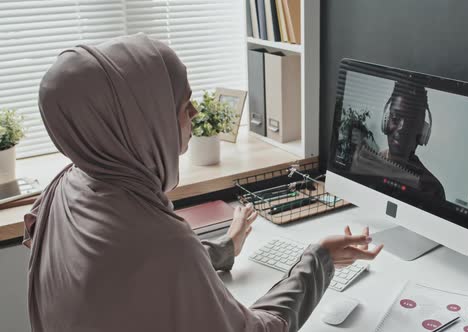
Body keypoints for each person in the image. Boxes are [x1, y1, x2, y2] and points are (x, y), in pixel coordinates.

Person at [22, 34, 383, 332]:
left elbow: (137, 279)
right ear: (134, 121)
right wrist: (318, 260)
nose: (194, 113)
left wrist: (224, 248)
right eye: (180, 104)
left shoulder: (65, 189)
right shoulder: (161, 242)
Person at [350, 80, 445, 203]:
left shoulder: (432, 190)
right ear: (386, 122)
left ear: (422, 133)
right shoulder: (365, 166)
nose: (402, 129)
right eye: (395, 118)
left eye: (411, 123)